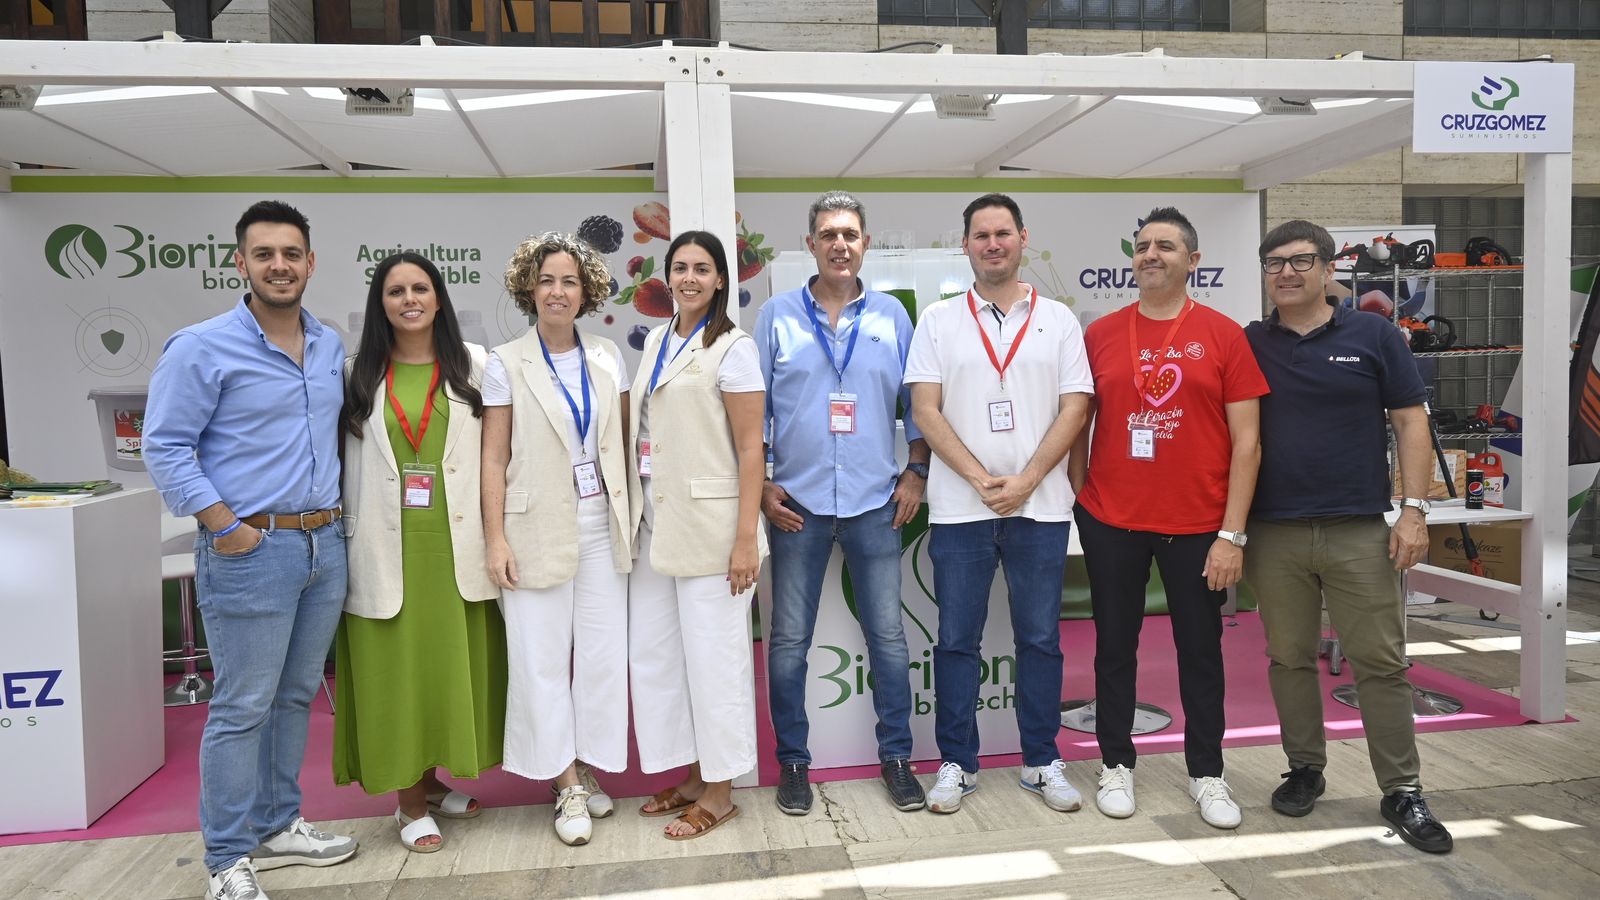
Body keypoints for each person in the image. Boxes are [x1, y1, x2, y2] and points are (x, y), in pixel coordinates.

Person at [144, 200, 356, 900]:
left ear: (310, 263)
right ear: (239, 263)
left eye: (291, 253)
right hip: (250, 550)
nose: (279, 265)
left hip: (323, 546)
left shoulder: (327, 345)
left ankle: (277, 822)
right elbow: (166, 445)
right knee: (242, 706)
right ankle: (227, 858)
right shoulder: (201, 346)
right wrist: (226, 525)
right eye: (264, 254)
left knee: (296, 695)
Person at [1244, 219, 1454, 853]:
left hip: (1359, 530)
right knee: (1289, 659)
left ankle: (1403, 790)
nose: (1287, 272)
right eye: (1274, 262)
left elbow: (1411, 423)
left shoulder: (1374, 333)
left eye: (1301, 261)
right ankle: (1305, 769)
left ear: (1328, 269)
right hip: (1274, 533)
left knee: (1382, 664)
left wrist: (1413, 511)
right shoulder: (1249, 342)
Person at [1067, 207, 1268, 830]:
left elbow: (1248, 443)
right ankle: (1116, 763)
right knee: (1113, 648)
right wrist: (1082, 491)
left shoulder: (1224, 334)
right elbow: (1080, 418)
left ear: (1193, 260)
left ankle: (1207, 773)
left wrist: (1231, 533)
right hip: (1112, 519)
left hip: (1199, 525)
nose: (1151, 255)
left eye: (1166, 246)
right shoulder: (1099, 333)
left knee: (1200, 650)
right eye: (1143, 246)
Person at [904, 193, 1094, 815]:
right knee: (956, 640)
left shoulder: (1060, 320)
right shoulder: (937, 319)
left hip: (1038, 509)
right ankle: (957, 763)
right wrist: (983, 477)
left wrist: (1026, 480)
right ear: (965, 245)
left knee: (1038, 639)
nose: (992, 243)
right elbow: (924, 410)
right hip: (961, 508)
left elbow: (1076, 407)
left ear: (1022, 240)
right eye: (981, 235)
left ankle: (1042, 760)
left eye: (1002, 233)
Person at [756, 191, 930, 815]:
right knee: (788, 643)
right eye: (828, 233)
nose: (839, 244)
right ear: (810, 244)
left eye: (850, 234)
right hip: (795, 504)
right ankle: (794, 764)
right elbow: (753, 413)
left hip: (874, 502)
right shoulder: (775, 315)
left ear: (865, 244)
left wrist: (915, 471)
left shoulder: (892, 317)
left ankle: (897, 757)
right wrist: (761, 484)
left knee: (887, 638)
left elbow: (919, 405)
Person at [334, 251, 507, 853]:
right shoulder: (356, 374)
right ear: (380, 305)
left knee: (441, 672)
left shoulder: (478, 367)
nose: (409, 299)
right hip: (385, 548)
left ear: (439, 299)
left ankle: (432, 786)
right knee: (396, 676)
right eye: (395, 291)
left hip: (455, 548)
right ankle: (408, 804)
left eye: (420, 288)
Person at [481, 232, 632, 847]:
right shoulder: (504, 362)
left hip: (600, 524)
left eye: (570, 280)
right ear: (528, 288)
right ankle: (564, 781)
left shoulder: (605, 355)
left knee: (599, 659)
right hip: (533, 525)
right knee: (541, 661)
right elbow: (492, 459)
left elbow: (621, 442)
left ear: (586, 290)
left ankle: (587, 763)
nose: (558, 291)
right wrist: (495, 539)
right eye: (547, 279)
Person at [629, 230, 767, 840]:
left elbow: (749, 447)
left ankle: (720, 788)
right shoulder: (658, 339)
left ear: (720, 280)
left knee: (717, 663)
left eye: (702, 269)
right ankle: (689, 773)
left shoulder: (734, 349)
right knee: (661, 659)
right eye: (680, 267)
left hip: (714, 531)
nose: (689, 278)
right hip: (656, 526)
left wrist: (745, 538)